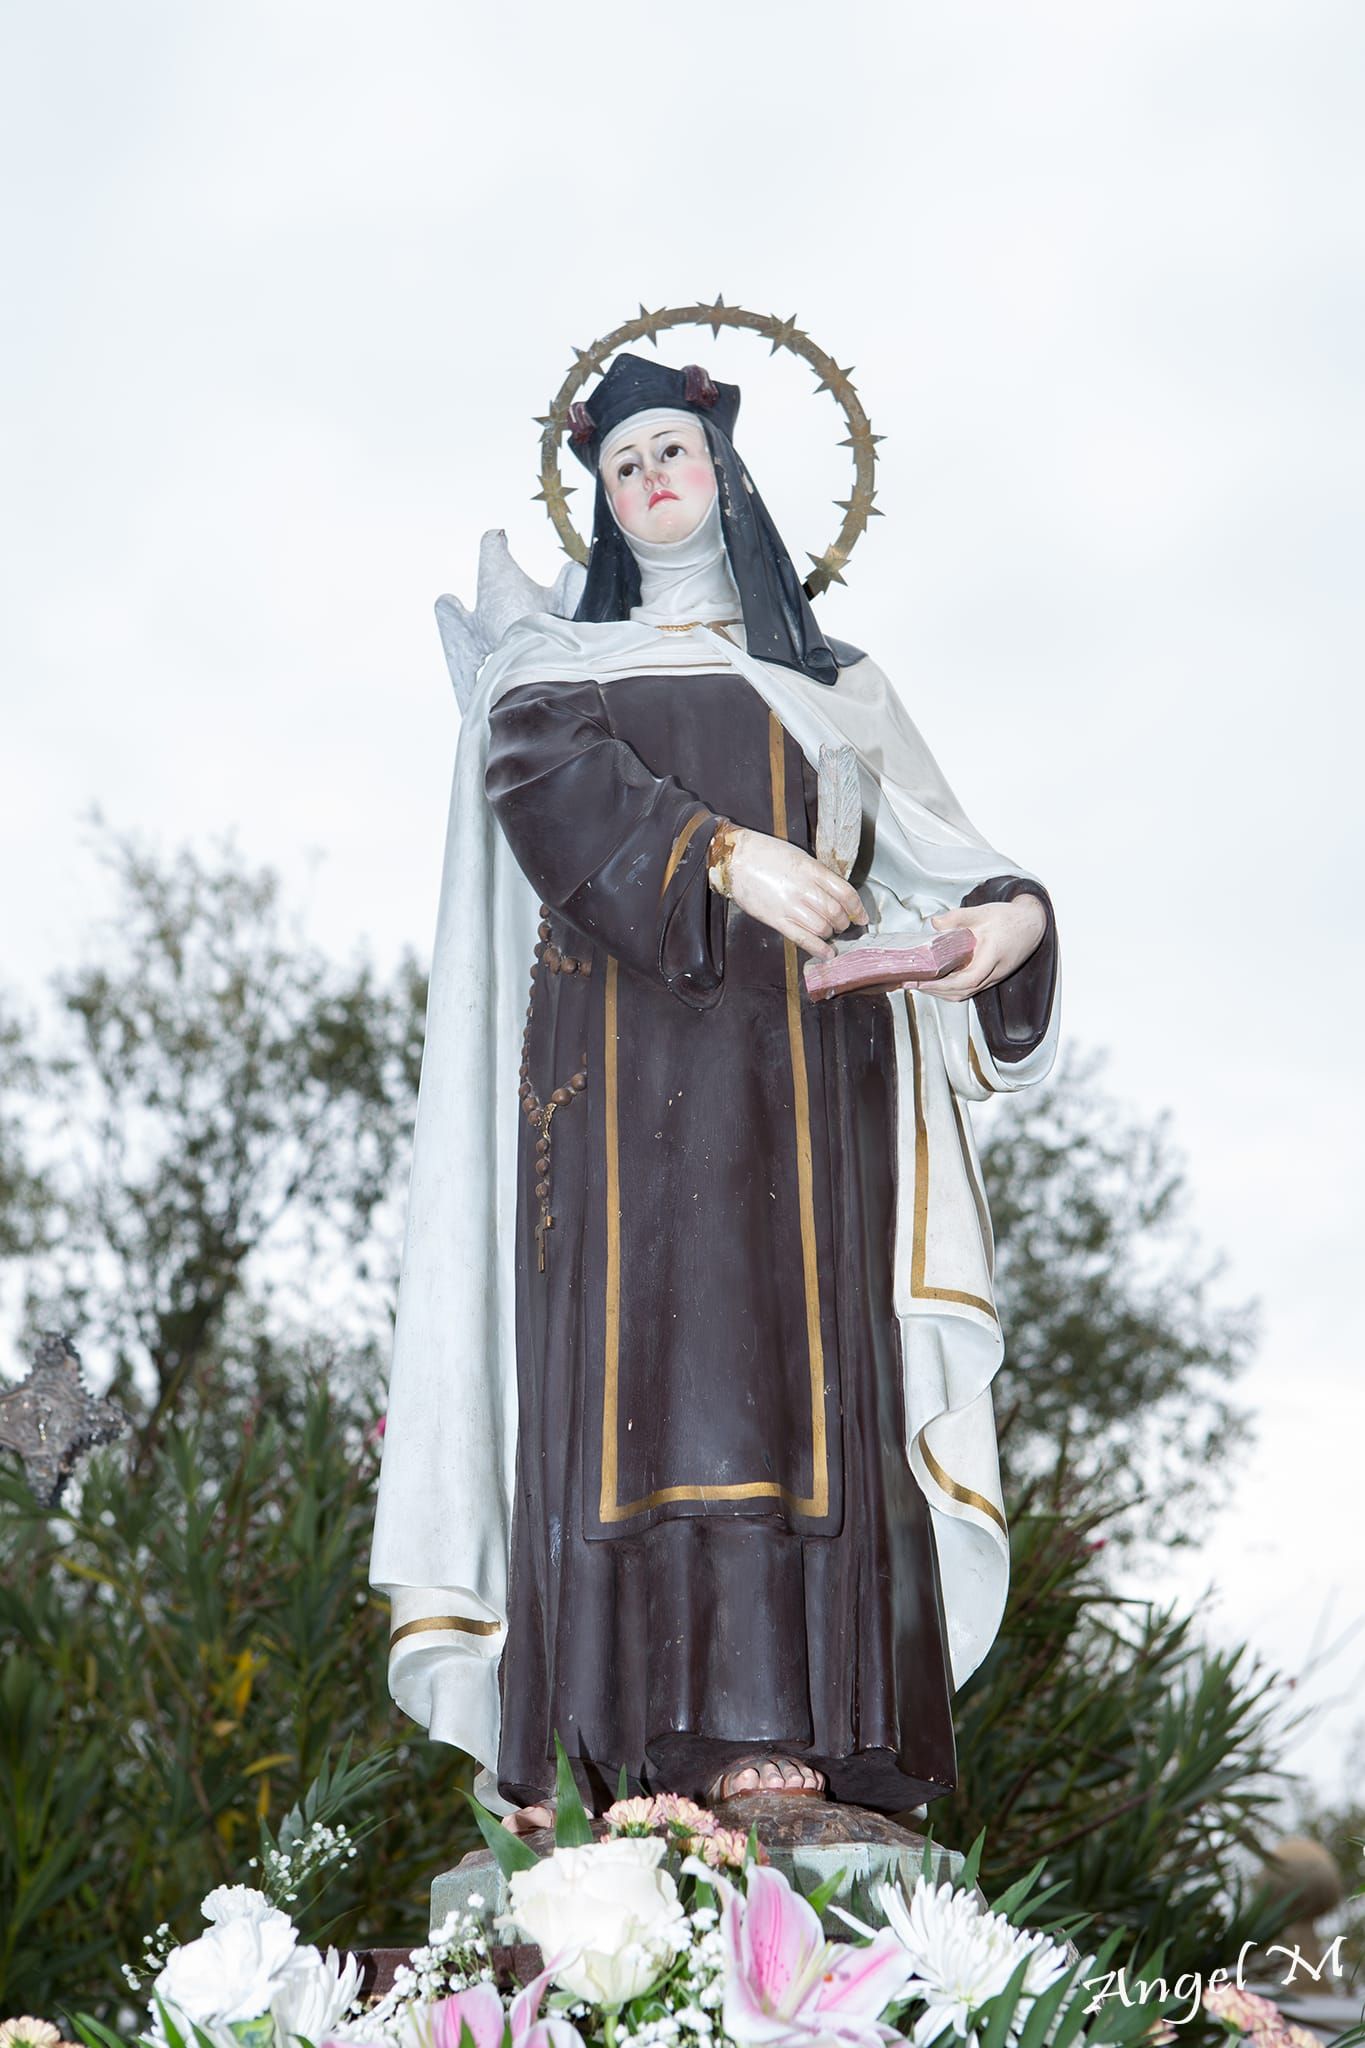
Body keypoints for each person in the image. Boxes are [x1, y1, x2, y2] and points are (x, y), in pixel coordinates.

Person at [370, 354, 1059, 1834]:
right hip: (620, 1106)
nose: (647, 479)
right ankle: (632, 1748)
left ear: (725, 472)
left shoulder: (835, 689)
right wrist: (726, 857)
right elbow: (541, 781)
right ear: (600, 504)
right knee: (657, 1401)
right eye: (619, 466)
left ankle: (808, 1732)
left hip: (813, 1103)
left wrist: (1005, 927)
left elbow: (949, 858)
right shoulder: (556, 669)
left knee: (806, 1392)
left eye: (670, 448)